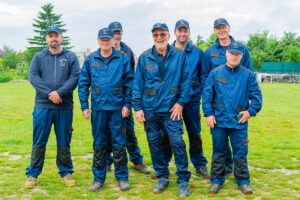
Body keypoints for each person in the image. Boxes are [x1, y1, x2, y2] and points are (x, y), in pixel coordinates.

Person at [132, 23, 192, 198]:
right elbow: (137, 85)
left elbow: (186, 81)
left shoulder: (180, 56)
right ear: (152, 36)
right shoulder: (144, 58)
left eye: (163, 35)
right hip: (150, 109)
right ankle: (162, 176)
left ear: (168, 36)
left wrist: (180, 103)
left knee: (177, 142)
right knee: (154, 143)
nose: (159, 38)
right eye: (156, 35)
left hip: (172, 108)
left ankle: (183, 179)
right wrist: (138, 108)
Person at [202, 41, 262, 195]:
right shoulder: (215, 73)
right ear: (226, 54)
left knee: (240, 152)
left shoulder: (248, 76)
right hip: (219, 122)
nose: (234, 56)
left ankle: (243, 181)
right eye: (231, 53)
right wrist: (208, 114)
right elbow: (207, 96)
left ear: (241, 56)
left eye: (237, 54)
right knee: (218, 151)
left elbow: (257, 98)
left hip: (239, 122)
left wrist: (250, 112)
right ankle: (216, 181)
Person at [78, 28, 133, 192]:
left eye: (108, 39)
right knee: (99, 144)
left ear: (112, 40)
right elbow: (83, 85)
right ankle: (98, 178)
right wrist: (84, 106)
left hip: (117, 109)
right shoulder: (90, 60)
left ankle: (122, 178)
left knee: (119, 143)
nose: (105, 42)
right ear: (98, 41)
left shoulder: (122, 59)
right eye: (102, 39)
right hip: (99, 109)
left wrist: (127, 105)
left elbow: (130, 83)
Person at [25, 25, 80, 189]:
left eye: (56, 36)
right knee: (39, 140)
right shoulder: (38, 57)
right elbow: (33, 77)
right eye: (50, 36)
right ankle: (33, 174)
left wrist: (60, 93)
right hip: (43, 106)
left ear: (61, 38)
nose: (53, 38)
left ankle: (66, 172)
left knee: (64, 141)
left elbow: (75, 77)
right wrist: (50, 94)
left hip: (64, 106)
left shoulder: (70, 57)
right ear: (46, 39)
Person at [201, 18, 253, 176]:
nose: (221, 30)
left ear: (229, 28)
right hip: (217, 103)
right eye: (218, 28)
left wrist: (250, 97)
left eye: (223, 27)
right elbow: (204, 76)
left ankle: (233, 168)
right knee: (219, 136)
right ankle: (224, 166)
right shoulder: (209, 52)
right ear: (214, 30)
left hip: (237, 100)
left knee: (237, 135)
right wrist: (208, 102)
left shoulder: (242, 49)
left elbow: (248, 72)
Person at [106, 22, 150, 174]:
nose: (116, 36)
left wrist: (129, 101)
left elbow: (132, 77)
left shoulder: (128, 51)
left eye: (119, 33)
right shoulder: (104, 50)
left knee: (129, 132)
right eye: (113, 33)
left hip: (125, 100)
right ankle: (107, 162)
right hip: (108, 101)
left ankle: (137, 162)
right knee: (108, 133)